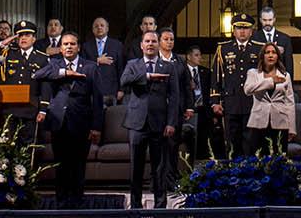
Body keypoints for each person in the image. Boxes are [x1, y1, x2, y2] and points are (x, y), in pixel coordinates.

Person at [33, 32, 103, 208]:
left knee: (78, 165)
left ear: (78, 47)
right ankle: (61, 203)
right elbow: (37, 75)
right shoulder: (54, 65)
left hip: (82, 122)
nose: (69, 47)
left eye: (72, 44)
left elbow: (98, 99)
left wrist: (96, 126)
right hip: (59, 122)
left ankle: (77, 202)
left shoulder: (90, 67)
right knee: (61, 165)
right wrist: (64, 72)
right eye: (65, 44)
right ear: (61, 48)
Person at [121, 30, 177, 208]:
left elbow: (175, 97)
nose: (151, 44)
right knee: (135, 168)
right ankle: (135, 206)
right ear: (141, 45)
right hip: (137, 123)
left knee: (159, 168)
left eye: (154, 41)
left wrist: (171, 122)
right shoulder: (133, 64)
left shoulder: (168, 66)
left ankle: (161, 206)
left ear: (158, 44)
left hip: (159, 124)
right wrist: (147, 77)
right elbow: (124, 81)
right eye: (147, 41)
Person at [212, 14, 261, 157]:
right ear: (234, 30)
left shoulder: (259, 49)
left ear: (251, 31)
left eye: (246, 28)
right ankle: (233, 175)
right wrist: (215, 101)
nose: (242, 31)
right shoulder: (223, 49)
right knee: (232, 142)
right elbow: (215, 77)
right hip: (230, 102)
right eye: (239, 28)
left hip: (252, 103)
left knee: (251, 142)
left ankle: (250, 174)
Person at [243, 42, 295, 154]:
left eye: (274, 52)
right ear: (262, 56)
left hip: (280, 122)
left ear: (278, 56)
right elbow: (248, 90)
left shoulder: (285, 75)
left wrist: (292, 128)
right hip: (258, 122)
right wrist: (271, 81)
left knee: (279, 159)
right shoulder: (253, 73)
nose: (271, 55)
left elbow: (290, 102)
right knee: (258, 159)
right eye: (267, 52)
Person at [0, 20, 47, 133]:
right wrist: (9, 40)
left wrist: (43, 109)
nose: (23, 38)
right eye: (20, 35)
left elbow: (45, 86)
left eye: (27, 35)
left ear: (34, 39)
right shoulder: (8, 54)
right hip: (10, 108)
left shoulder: (42, 58)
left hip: (31, 109)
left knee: (28, 145)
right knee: (8, 145)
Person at [176, 43, 217, 166]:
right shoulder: (181, 71)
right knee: (190, 141)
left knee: (204, 141)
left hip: (203, 111)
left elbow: (210, 93)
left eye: (200, 55)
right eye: (197, 55)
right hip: (188, 111)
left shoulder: (206, 72)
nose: (200, 58)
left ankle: (203, 167)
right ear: (188, 57)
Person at [83, 16, 126, 103]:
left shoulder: (117, 45)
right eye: (96, 26)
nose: (99, 27)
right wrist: (97, 61)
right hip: (92, 91)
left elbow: (121, 67)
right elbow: (82, 66)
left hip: (111, 90)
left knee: (111, 115)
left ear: (107, 28)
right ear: (92, 30)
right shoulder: (86, 46)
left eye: (102, 25)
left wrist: (121, 89)